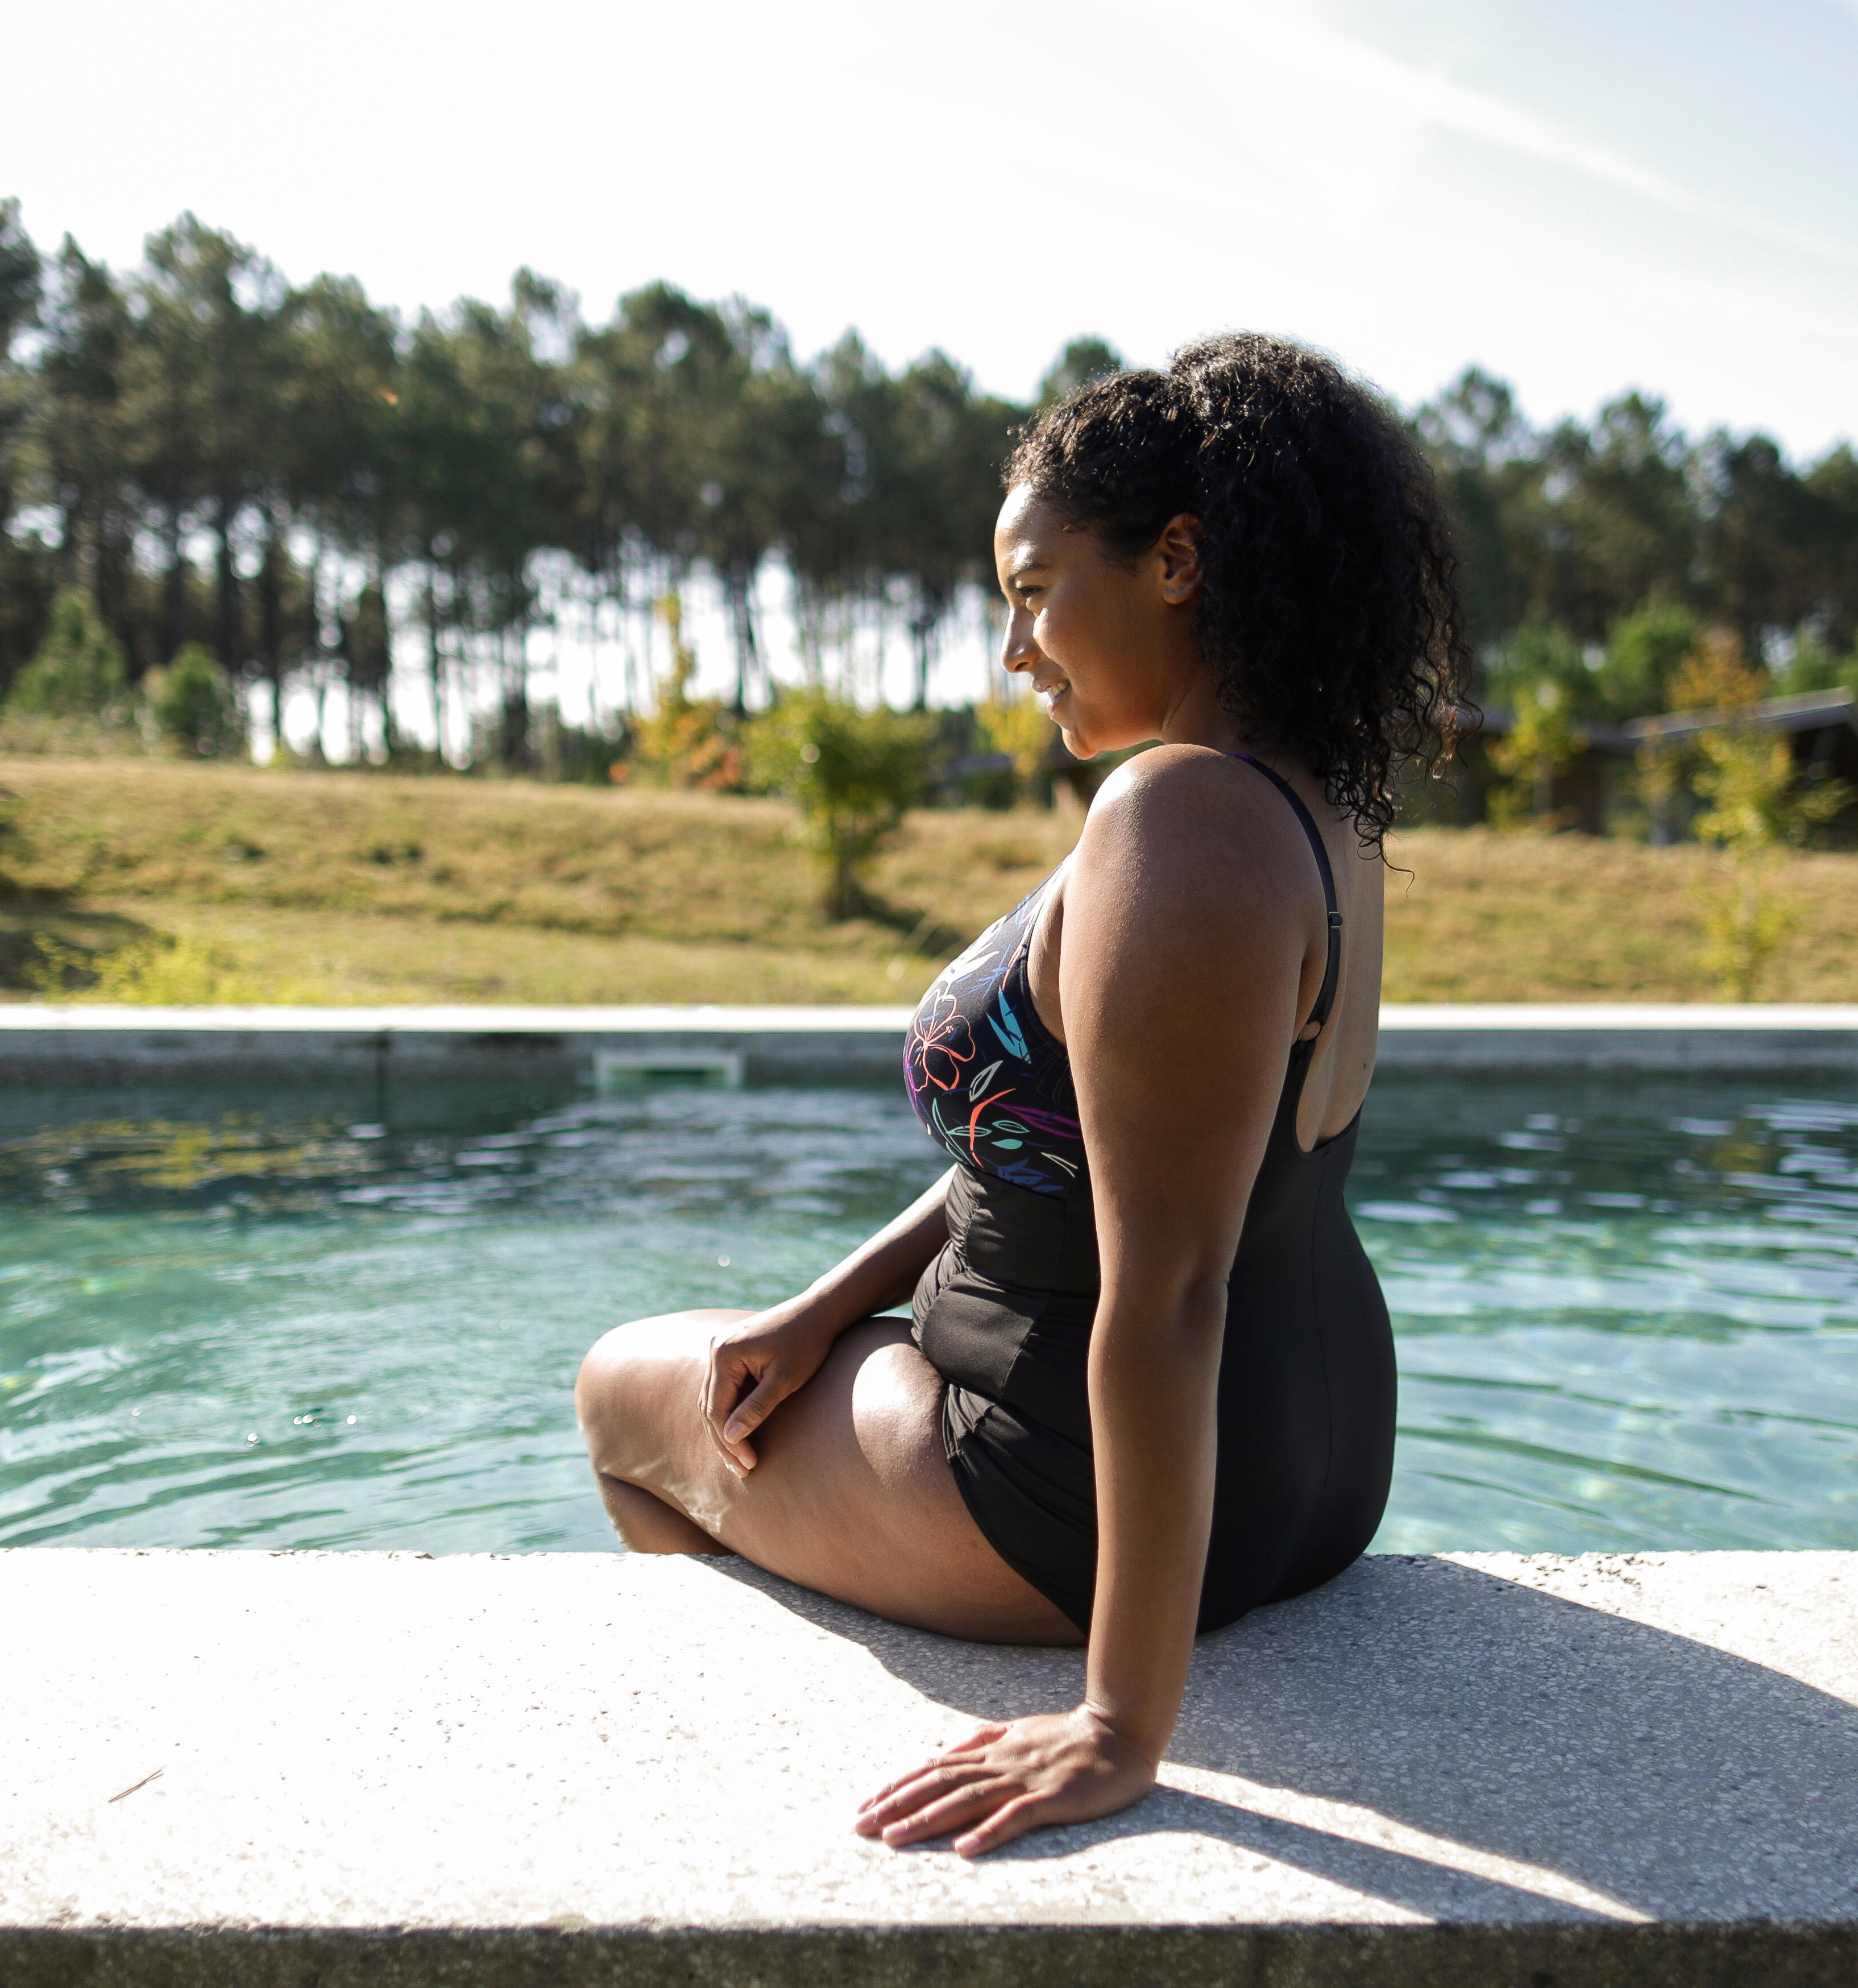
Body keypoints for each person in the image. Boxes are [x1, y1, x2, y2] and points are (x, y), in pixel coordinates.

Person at [574, 332, 1464, 1857]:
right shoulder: (1321, 805)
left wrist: (1122, 1725)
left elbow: (1168, 1286)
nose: (1016, 648)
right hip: (1324, 1457)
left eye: (1035, 589)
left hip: (1067, 1491)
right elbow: (1090, 1129)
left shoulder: (1177, 821)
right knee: (738, 1362)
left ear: (1176, 560)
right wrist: (824, 1304)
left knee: (620, 1392)